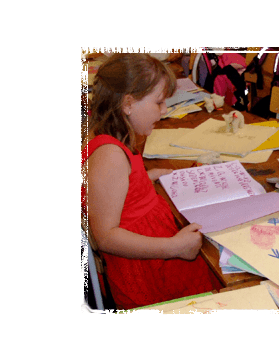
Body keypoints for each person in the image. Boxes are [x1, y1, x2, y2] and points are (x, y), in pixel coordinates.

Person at [82, 53, 222, 310]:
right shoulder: (109, 155)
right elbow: (106, 237)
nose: (165, 110)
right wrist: (173, 247)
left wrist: (146, 176)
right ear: (128, 103)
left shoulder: (115, 138)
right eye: (158, 103)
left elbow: (114, 191)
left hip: (159, 258)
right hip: (148, 270)